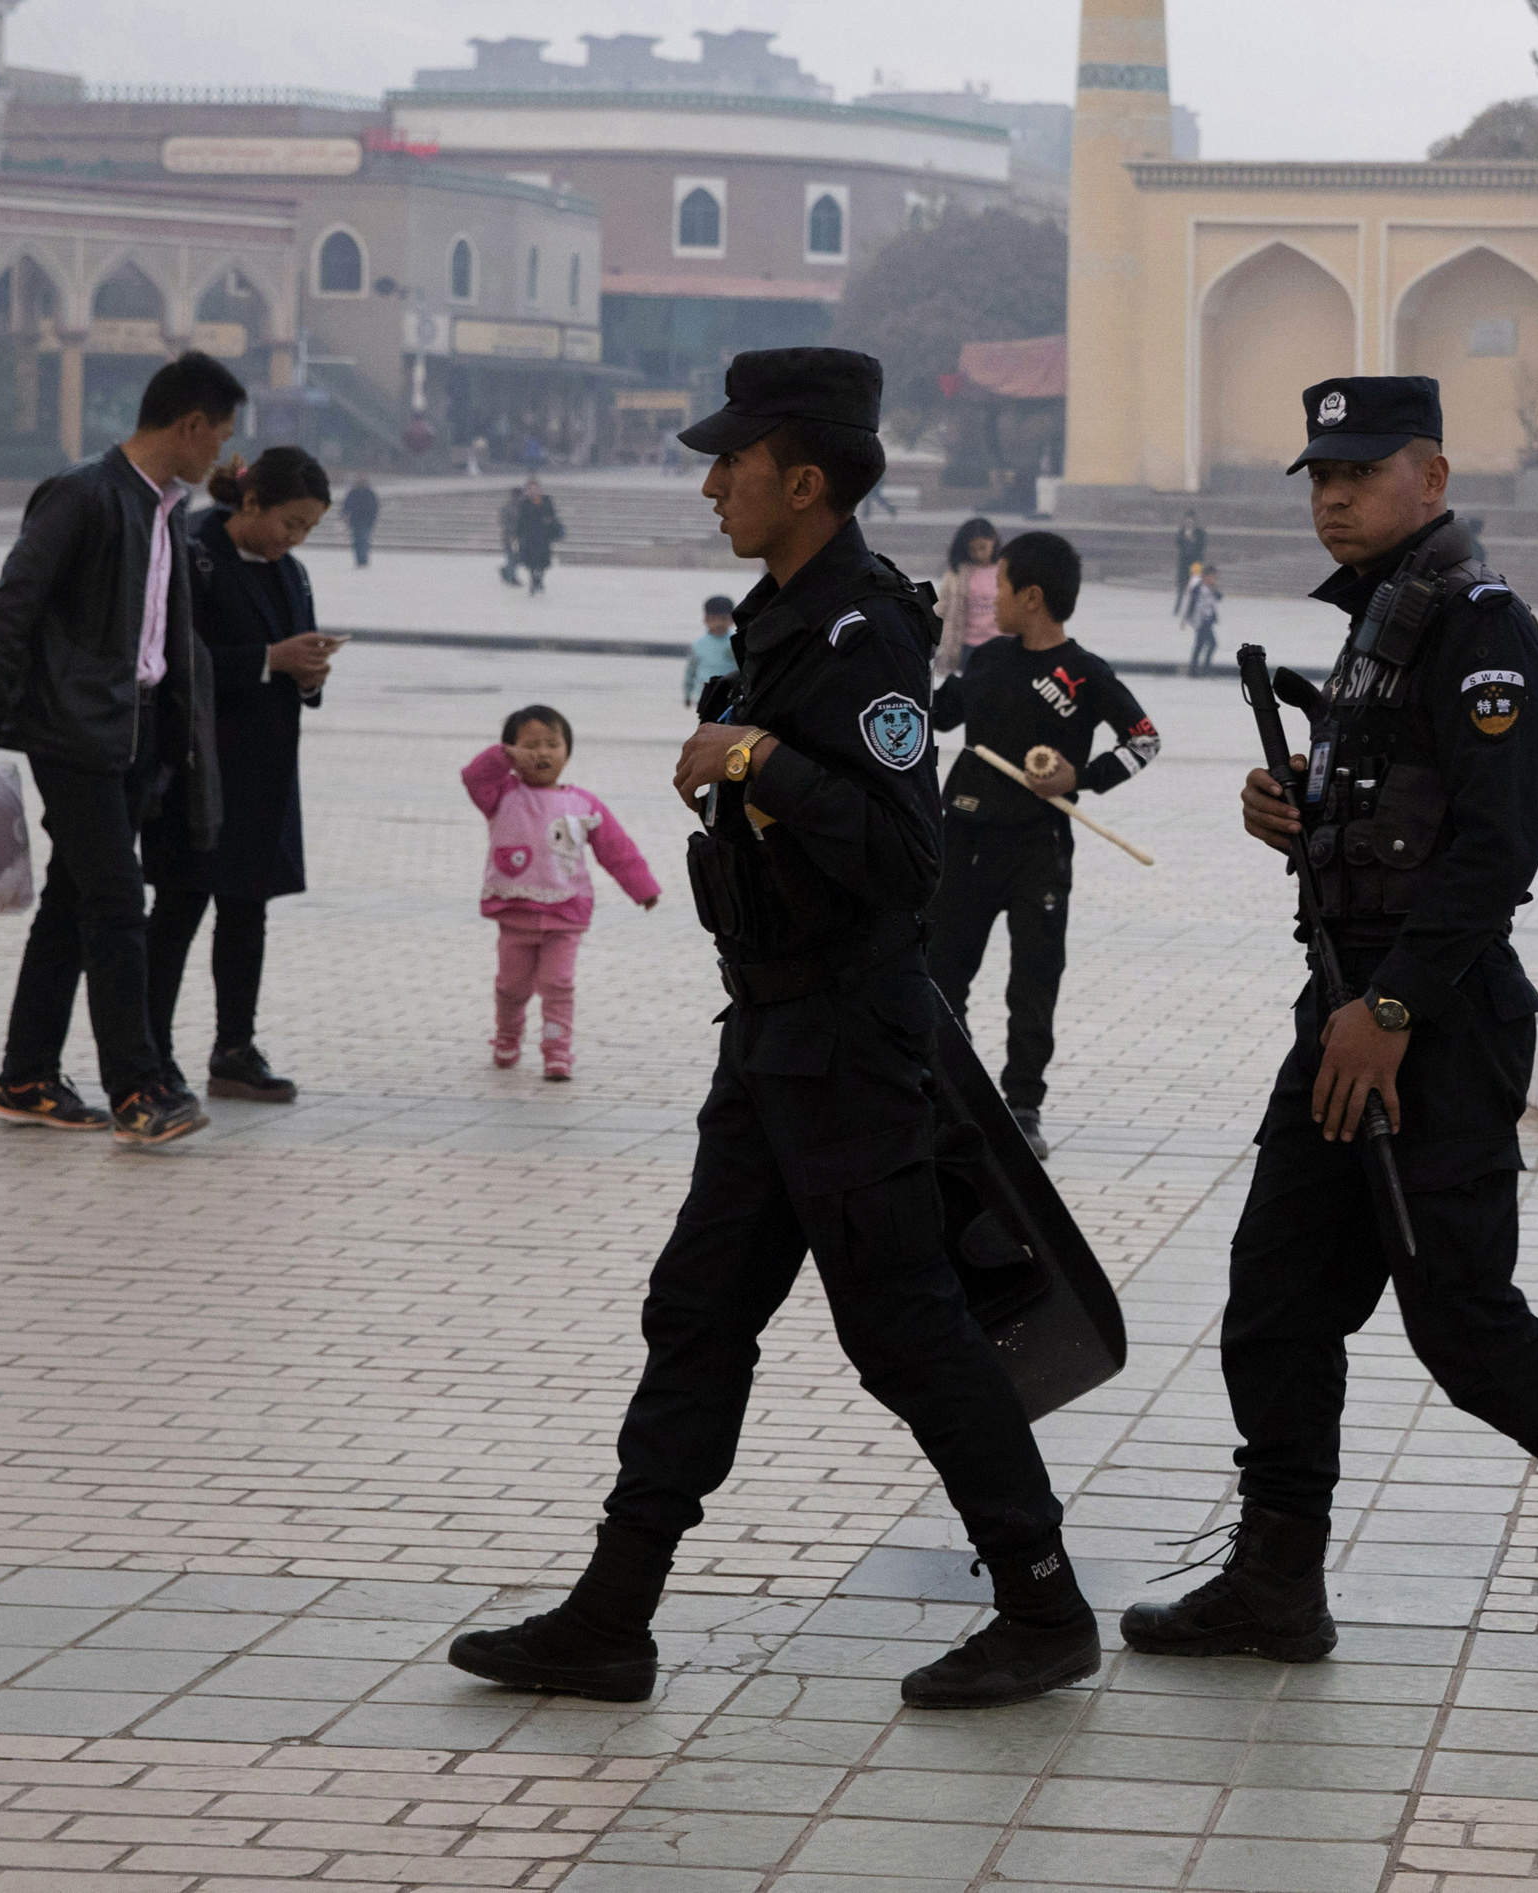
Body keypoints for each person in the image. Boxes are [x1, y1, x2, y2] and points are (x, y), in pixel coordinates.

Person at [447, 346, 1101, 1713]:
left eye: (730, 462)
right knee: (696, 1313)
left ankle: (1042, 1606)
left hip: (851, 1040)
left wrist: (757, 758)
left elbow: (899, 850)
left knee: (908, 1331)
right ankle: (611, 1615)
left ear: (804, 478)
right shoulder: (782, 616)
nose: (708, 484)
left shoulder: (861, 631)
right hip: (774, 1032)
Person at [1128, 373, 1538, 1687]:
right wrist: (1301, 806)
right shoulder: (1378, 632)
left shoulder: (1481, 628)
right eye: (1322, 477)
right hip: (1344, 1013)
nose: (1335, 497)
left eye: (1361, 472)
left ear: (1434, 478)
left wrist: (1394, 1008)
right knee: (1276, 1300)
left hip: (1431, 1026)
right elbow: (1398, 812)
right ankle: (1277, 1581)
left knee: (1461, 1320)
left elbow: (1493, 851)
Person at [0, 350, 243, 1150]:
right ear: (187, 425)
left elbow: (164, 632)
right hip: (75, 732)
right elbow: (13, 604)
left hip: (135, 734)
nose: (220, 450)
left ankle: (27, 1076)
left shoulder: (164, 508)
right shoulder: (82, 495)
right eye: (218, 435)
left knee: (75, 906)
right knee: (118, 904)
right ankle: (138, 1088)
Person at [929, 530, 1160, 1160]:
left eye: (999, 584)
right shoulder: (986, 660)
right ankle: (952, 1091)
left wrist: (1077, 779)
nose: (991, 595)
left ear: (1031, 596)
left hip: (1039, 847)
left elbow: (1144, 742)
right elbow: (935, 716)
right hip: (966, 836)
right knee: (944, 972)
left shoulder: (1085, 675)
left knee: (1034, 981)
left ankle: (1023, 1107)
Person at [143, 448, 339, 1105]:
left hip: (266, 772)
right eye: (291, 522)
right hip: (197, 769)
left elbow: (292, 660)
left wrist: (307, 672)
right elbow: (170, 658)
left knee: (246, 909)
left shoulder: (294, 573)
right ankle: (148, 1053)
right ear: (250, 503)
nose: (296, 539)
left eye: (309, 528)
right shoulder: (192, 553)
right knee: (178, 909)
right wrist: (267, 659)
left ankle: (234, 1048)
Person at [462, 705, 661, 1079]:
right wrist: (501, 757)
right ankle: (506, 1035)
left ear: (567, 752)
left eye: (552, 744)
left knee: (558, 983)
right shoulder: (500, 796)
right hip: (515, 909)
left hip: (565, 912)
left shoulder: (583, 804)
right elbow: (474, 778)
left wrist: (643, 888)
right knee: (511, 985)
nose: (542, 753)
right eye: (530, 745)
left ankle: (557, 1048)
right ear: (511, 752)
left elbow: (616, 849)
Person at [942, 515, 1003, 674]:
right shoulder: (957, 574)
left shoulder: (1007, 571)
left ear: (994, 541)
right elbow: (942, 607)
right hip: (969, 647)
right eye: (973, 549)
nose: (978, 554)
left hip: (1002, 645)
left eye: (983, 547)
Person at [682, 594, 738, 709]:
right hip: (704, 697)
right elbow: (690, 671)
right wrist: (687, 694)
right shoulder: (698, 645)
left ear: (731, 620)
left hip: (731, 697)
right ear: (706, 619)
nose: (718, 623)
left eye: (723, 618)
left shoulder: (736, 642)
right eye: (713, 619)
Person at [511, 478, 564, 596]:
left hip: (544, 536)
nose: (534, 491)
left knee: (543, 560)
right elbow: (521, 520)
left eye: (536, 488)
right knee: (530, 561)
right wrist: (518, 534)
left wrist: (550, 522)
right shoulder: (525, 503)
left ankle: (540, 578)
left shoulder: (546, 500)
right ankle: (533, 580)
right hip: (530, 537)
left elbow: (553, 515)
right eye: (531, 489)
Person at [1184, 560, 1224, 677]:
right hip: (1201, 621)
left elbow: (1219, 597)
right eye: (1212, 577)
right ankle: (1202, 669)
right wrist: (1187, 618)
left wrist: (1214, 588)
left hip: (1208, 620)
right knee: (1210, 644)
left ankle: (1195, 670)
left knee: (1201, 645)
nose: (1214, 579)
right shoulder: (1198, 588)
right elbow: (1191, 603)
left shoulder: (1211, 588)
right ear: (1206, 576)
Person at [343, 473, 380, 569]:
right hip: (357, 520)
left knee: (362, 539)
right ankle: (361, 559)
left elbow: (375, 507)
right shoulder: (356, 492)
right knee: (359, 540)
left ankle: (362, 559)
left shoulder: (368, 493)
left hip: (364, 520)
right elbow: (347, 505)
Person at [1174, 510, 1207, 616]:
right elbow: (1178, 544)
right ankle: (1177, 608)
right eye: (1187, 521)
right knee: (1181, 587)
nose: (1189, 523)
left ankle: (1193, 609)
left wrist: (1193, 540)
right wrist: (1185, 538)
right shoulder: (1182, 532)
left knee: (1195, 587)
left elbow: (1202, 546)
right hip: (1184, 563)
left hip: (1196, 564)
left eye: (1191, 521)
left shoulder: (1200, 533)